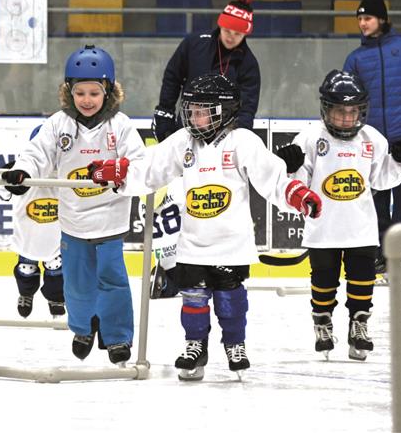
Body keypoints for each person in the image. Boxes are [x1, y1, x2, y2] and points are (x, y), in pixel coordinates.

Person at [106, 73, 322, 381]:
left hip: (232, 244)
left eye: (202, 110)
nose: (194, 117)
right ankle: (195, 345)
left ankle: (236, 344)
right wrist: (120, 175)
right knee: (193, 296)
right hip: (193, 243)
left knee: (230, 299)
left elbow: (272, 179)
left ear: (224, 110)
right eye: (191, 110)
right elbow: (151, 169)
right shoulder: (183, 142)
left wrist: (297, 195)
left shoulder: (241, 141)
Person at [1, 45, 146, 365]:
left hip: (109, 219)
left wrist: (121, 170)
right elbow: (37, 154)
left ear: (108, 90)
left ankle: (118, 336)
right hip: (73, 220)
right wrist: (23, 171)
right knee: (77, 282)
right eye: (80, 92)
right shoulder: (58, 124)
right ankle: (83, 328)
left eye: (94, 92)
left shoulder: (119, 125)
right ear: (69, 91)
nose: (87, 99)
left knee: (112, 279)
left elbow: (139, 164)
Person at [274, 70, 401, 361]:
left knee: (362, 280)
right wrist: (289, 167)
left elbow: (380, 179)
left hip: (361, 228)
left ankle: (359, 325)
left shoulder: (372, 139)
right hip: (322, 230)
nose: (346, 119)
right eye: (340, 112)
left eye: (353, 112)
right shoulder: (311, 139)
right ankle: (323, 322)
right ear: (327, 110)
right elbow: (297, 184)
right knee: (324, 281)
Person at [343, 0, 401, 281]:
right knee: (373, 198)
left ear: (382, 19)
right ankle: (379, 256)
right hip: (370, 141)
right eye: (360, 18)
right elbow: (345, 102)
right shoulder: (355, 59)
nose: (363, 23)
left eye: (368, 17)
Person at [152, 0, 261, 142]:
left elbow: (247, 108)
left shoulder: (249, 64)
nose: (231, 37)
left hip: (223, 136)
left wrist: (239, 138)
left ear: (245, 34)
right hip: (187, 126)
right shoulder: (194, 44)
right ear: (220, 25)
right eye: (227, 31)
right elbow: (173, 77)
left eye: (237, 34)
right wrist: (164, 113)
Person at [2, 126, 65, 319]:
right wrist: (7, 178)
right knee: (26, 268)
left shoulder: (65, 171)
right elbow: (1, 194)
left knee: (56, 268)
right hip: (28, 233)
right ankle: (26, 293)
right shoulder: (20, 170)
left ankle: (56, 297)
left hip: (56, 236)